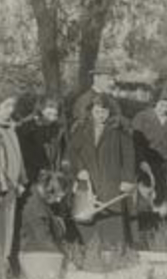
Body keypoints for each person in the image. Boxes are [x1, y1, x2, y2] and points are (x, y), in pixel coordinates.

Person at [68, 95, 136, 251]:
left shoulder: (119, 130)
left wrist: (127, 179)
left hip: (111, 179)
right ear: (91, 112)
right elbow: (72, 153)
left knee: (111, 214)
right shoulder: (81, 128)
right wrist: (79, 170)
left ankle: (114, 251)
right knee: (87, 216)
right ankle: (91, 250)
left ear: (110, 112)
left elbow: (129, 155)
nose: (101, 115)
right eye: (97, 111)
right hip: (88, 180)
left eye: (104, 112)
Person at [0, 85, 28, 260]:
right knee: (0, 229)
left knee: (9, 227)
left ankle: (4, 260)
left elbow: (17, 156)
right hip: (3, 186)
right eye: (6, 106)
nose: (10, 110)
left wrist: (21, 180)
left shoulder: (10, 128)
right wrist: (4, 184)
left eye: (12, 106)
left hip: (14, 185)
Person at [131, 89, 167, 231]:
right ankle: (141, 231)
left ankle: (158, 232)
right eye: (162, 104)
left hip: (163, 167)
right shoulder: (141, 117)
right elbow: (135, 144)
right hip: (144, 165)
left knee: (161, 200)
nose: (164, 108)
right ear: (155, 103)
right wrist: (141, 161)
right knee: (144, 199)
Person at [18, 96, 69, 186]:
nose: (51, 119)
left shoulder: (57, 129)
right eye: (49, 114)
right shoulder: (26, 129)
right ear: (40, 110)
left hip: (53, 177)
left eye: (55, 115)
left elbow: (62, 151)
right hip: (31, 177)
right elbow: (25, 154)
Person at [18, 170, 69, 256]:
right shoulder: (36, 207)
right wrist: (64, 259)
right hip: (33, 256)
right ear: (50, 190)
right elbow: (45, 241)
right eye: (57, 197)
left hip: (39, 251)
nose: (58, 201)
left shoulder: (42, 200)